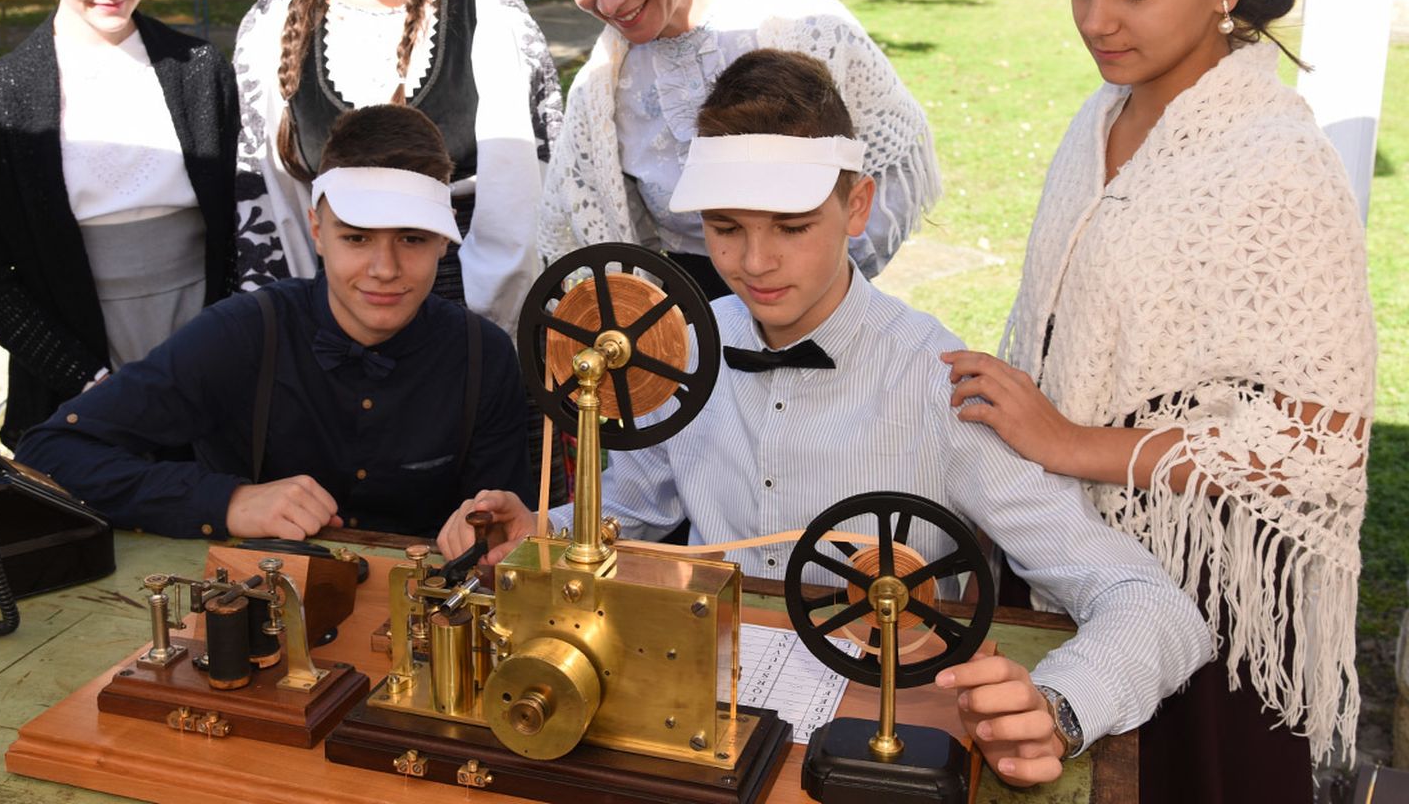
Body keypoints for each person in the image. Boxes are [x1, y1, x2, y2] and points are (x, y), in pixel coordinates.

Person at [439, 49, 1210, 791]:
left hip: (879, 738)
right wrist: (541, 528)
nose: (755, 262)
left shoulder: (940, 385)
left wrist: (1059, 709)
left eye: (792, 227)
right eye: (726, 227)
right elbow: (631, 511)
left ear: (857, 206)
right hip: (698, 723)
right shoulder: (677, 353)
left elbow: (1150, 602)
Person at [940, 0, 1375, 803]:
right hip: (1068, 548)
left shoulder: (1278, 163)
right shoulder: (1100, 114)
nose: (1096, 21)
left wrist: (1072, 441)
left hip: (1202, 589)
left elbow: (1319, 441)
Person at [19, 106, 536, 540]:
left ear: (444, 239)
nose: (384, 268)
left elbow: (499, 527)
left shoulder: (483, 356)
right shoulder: (242, 333)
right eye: (356, 238)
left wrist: (493, 529)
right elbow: (52, 451)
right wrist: (228, 502)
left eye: (412, 238)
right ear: (316, 230)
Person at [537, 0, 938, 300]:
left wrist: (819, 288)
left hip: (814, 305)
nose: (607, 1)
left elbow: (891, 174)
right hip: (686, 319)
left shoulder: (810, 28)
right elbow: (598, 230)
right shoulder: (599, 91)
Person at [232, 0, 559, 334]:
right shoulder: (271, 27)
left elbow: (521, 196)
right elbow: (274, 208)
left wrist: (479, 335)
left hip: (474, 309)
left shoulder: (484, 7)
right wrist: (304, 331)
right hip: (328, 316)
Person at [0, 0, 238, 449]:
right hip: (77, 390)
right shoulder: (3, 96)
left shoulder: (200, 70)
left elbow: (241, 231)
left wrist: (225, 353)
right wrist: (88, 379)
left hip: (210, 375)